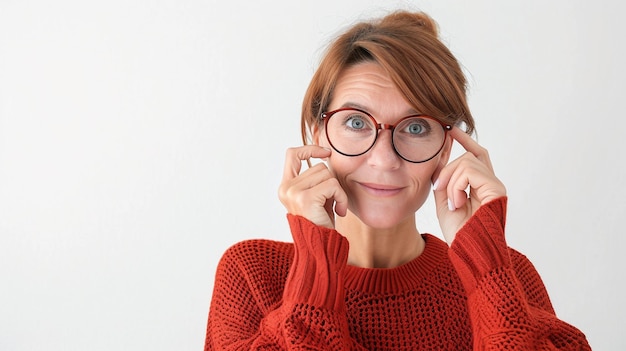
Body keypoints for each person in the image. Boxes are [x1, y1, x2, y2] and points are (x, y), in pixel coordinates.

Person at [204, 10, 591, 350]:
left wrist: (485, 265)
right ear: (317, 133)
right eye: (356, 122)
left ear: (445, 149)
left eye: (417, 127)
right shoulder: (254, 275)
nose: (384, 159)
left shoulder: (505, 276)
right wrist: (316, 267)